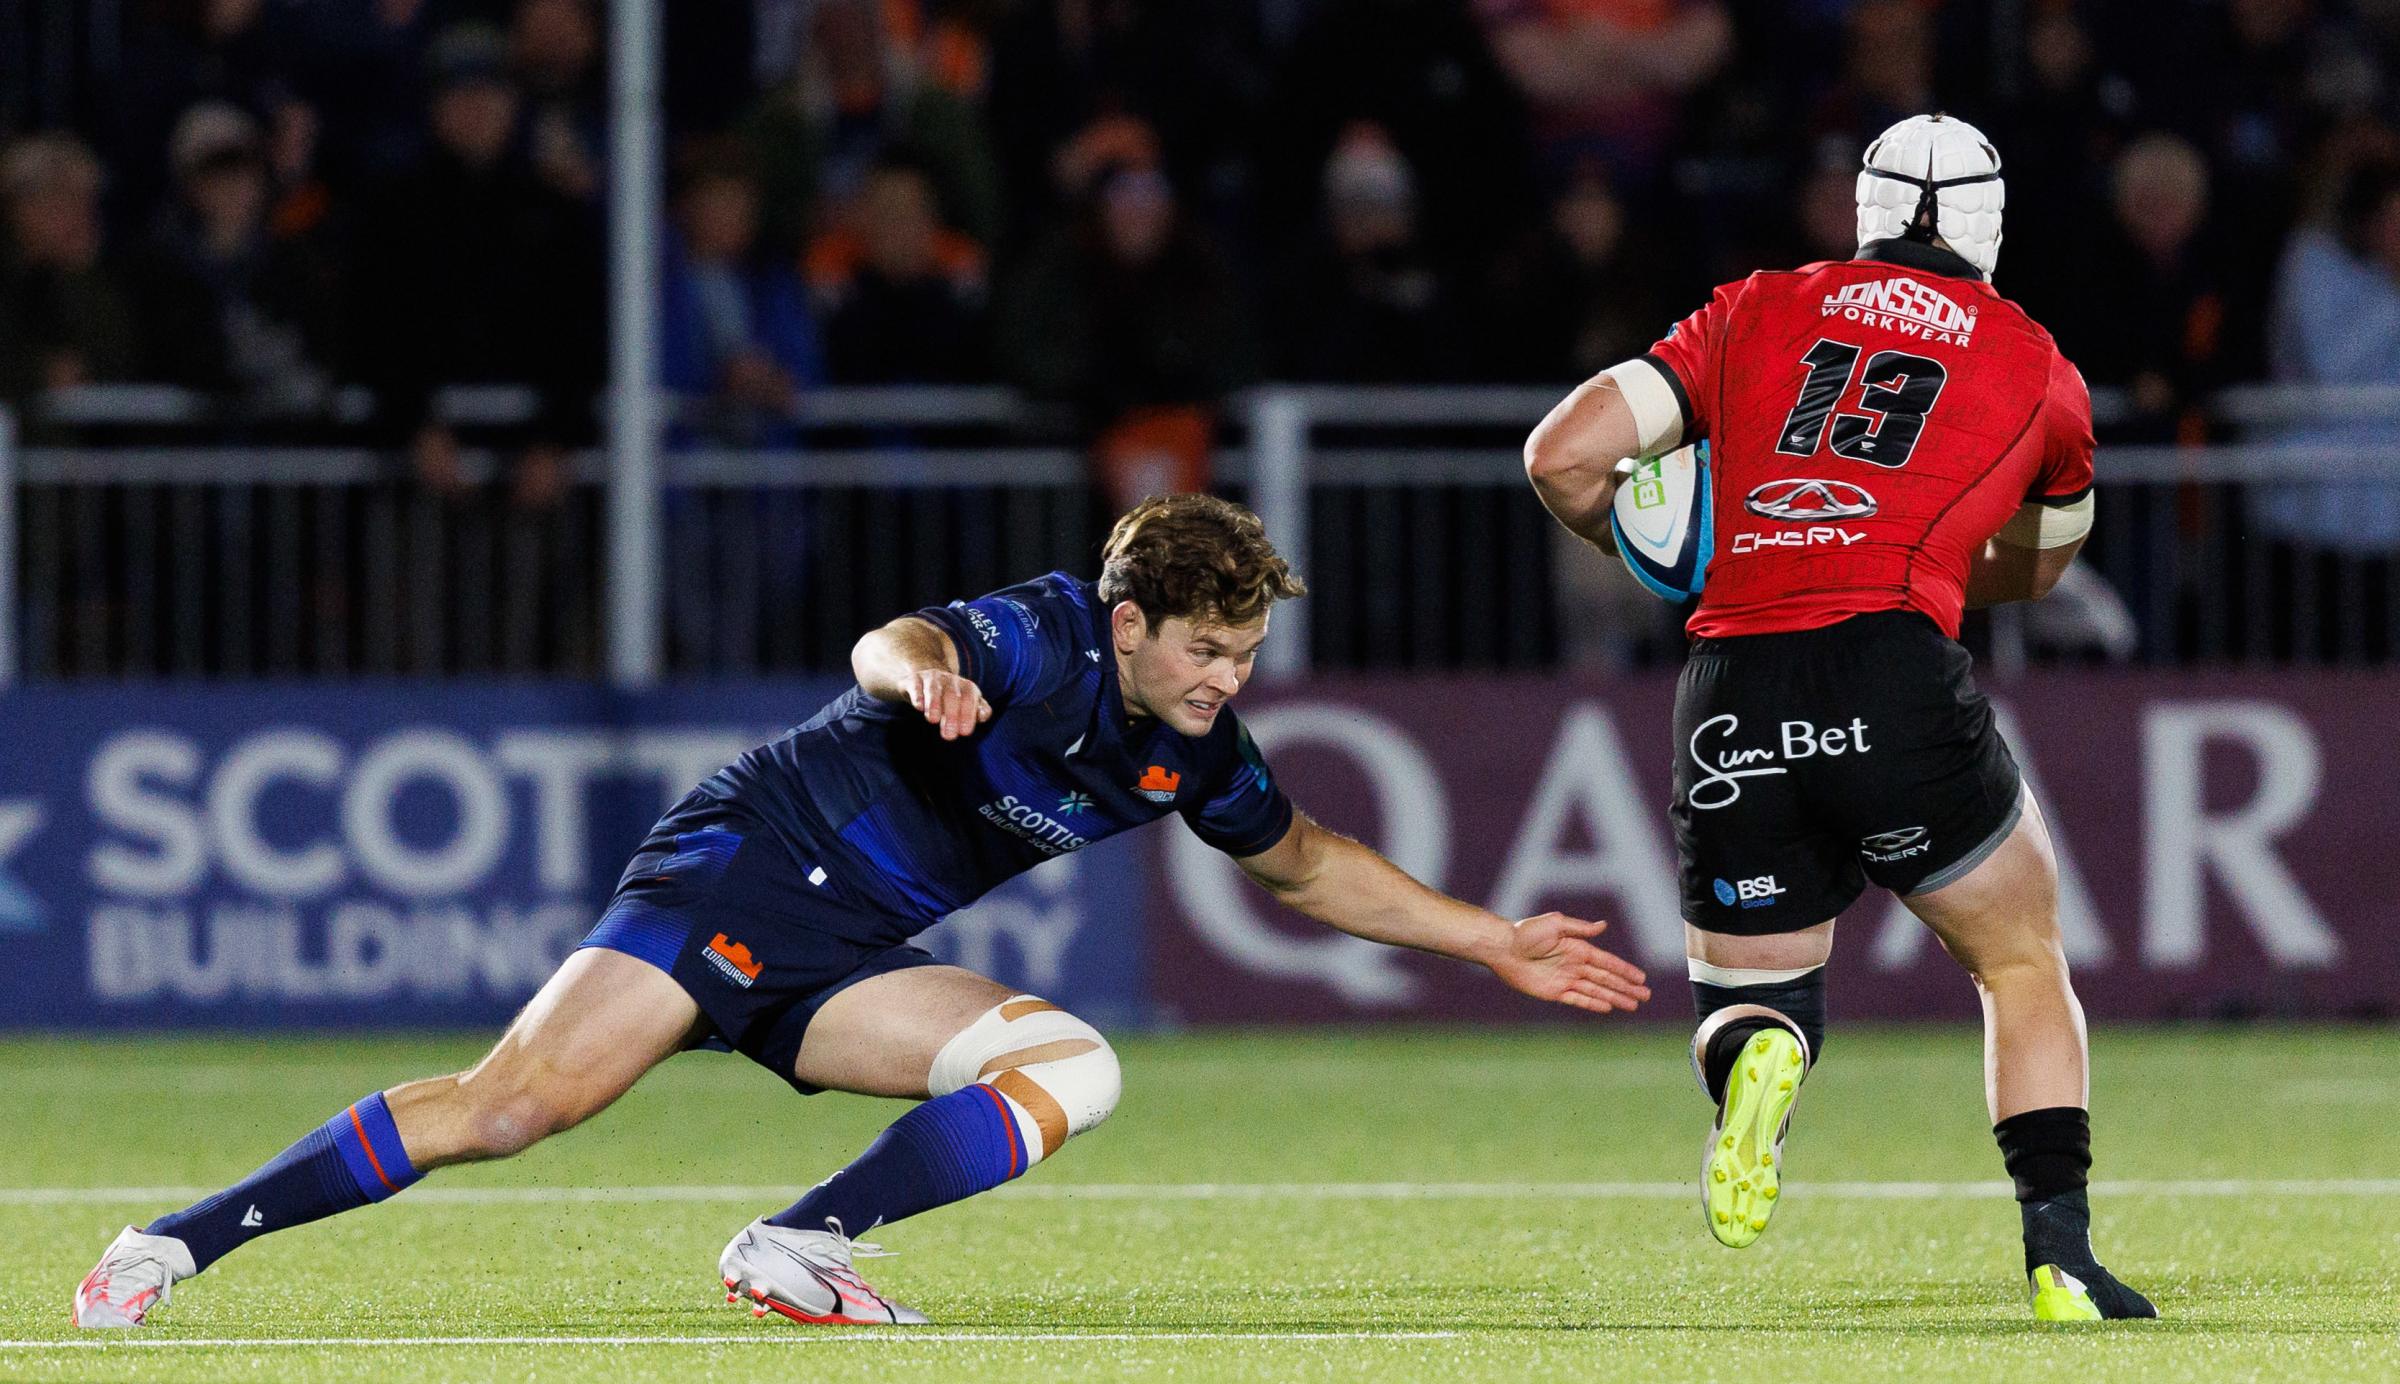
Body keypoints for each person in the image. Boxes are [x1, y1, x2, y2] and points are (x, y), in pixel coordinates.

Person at [74, 494, 1652, 1329]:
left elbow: (1307, 861)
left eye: (1243, 656)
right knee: (507, 1112)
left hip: (842, 955)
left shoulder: (1196, 753)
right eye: (1206, 652)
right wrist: (927, 678)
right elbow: (887, 642)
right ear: (1130, 620)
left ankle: (798, 1244)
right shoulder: (1039, 635)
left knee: (1072, 1069)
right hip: (746, 867)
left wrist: (1493, 937)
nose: (1226, 681)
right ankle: (170, 1247)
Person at [1522, 114, 2156, 1323]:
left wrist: (1674, 554)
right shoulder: (2037, 365)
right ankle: (2060, 1255)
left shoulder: (1755, 307)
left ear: (1861, 211)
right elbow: (2040, 567)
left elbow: (1561, 457)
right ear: (1991, 223)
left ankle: (1763, 1062)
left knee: (1750, 998)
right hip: (1891, 664)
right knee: (2018, 959)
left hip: (1733, 679)